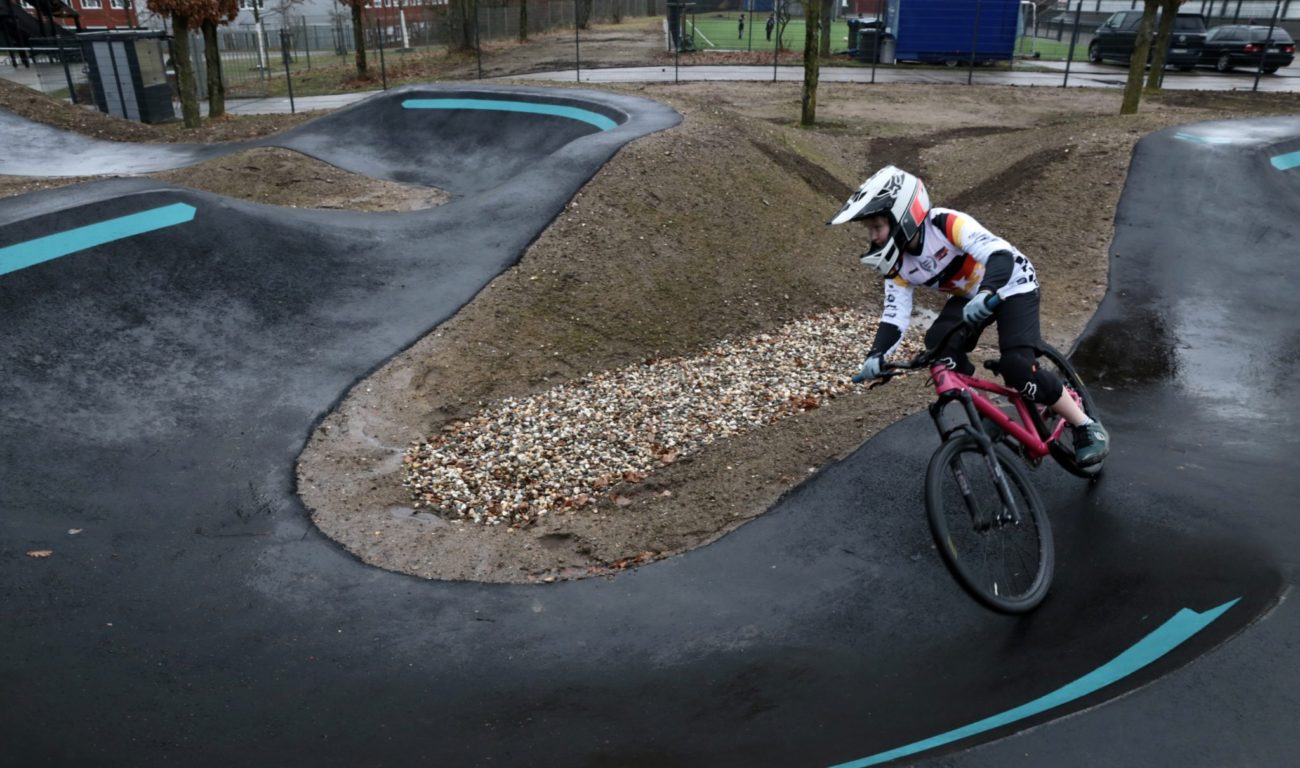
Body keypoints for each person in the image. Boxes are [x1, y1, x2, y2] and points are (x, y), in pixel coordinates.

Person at [829, 165, 1110, 466]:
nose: (873, 238)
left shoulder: (945, 223)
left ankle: (1085, 426)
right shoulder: (897, 264)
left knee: (1016, 366)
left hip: (1012, 285)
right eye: (869, 230)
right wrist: (877, 354)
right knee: (940, 348)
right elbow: (895, 315)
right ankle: (995, 416)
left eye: (877, 228)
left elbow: (1000, 255)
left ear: (903, 217)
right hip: (970, 296)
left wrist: (987, 292)